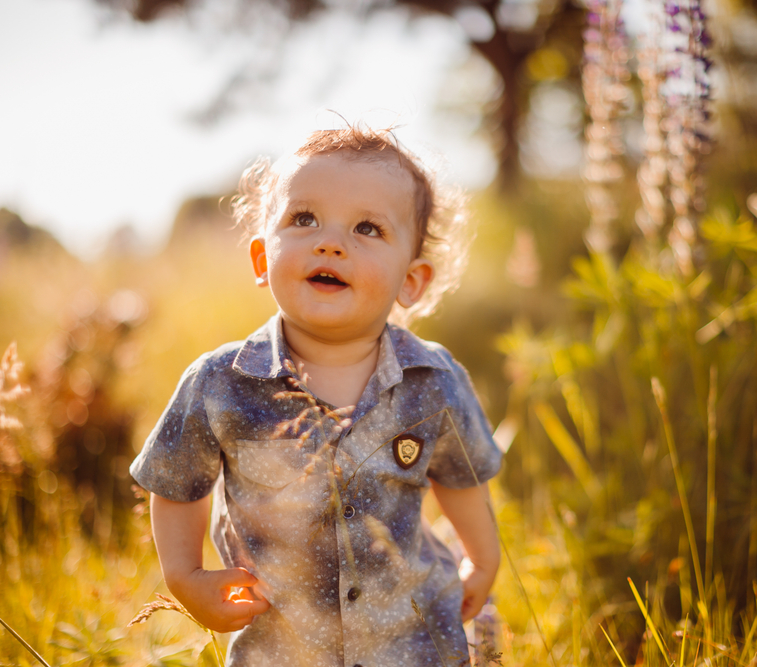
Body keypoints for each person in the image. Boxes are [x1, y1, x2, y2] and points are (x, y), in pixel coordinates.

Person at [129, 125, 503, 667]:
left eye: (368, 228)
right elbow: (175, 482)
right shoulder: (220, 382)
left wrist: (482, 557)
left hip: (415, 643)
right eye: (303, 220)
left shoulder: (434, 379)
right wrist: (187, 578)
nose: (330, 242)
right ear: (262, 259)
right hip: (284, 648)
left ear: (411, 281)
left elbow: (461, 476)